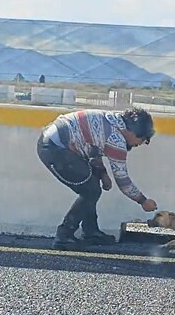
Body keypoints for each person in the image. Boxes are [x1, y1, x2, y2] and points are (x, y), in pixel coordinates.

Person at [37, 107, 158, 249]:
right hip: (55, 149)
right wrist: (143, 201)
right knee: (91, 190)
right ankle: (64, 236)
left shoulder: (111, 119)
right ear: (132, 131)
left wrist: (102, 173)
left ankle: (90, 231)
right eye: (142, 138)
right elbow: (122, 180)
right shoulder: (116, 140)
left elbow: (93, 147)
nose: (140, 143)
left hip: (51, 141)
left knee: (92, 185)